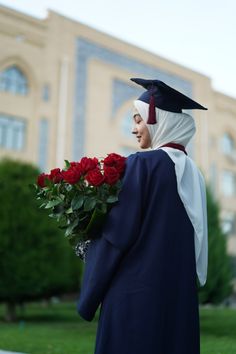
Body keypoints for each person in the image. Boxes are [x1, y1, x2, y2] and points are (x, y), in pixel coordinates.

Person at [77, 78, 208, 354]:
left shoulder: (141, 165)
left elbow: (117, 235)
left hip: (134, 301)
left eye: (138, 120)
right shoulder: (194, 175)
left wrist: (87, 246)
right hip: (177, 302)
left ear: (157, 120)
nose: (134, 128)